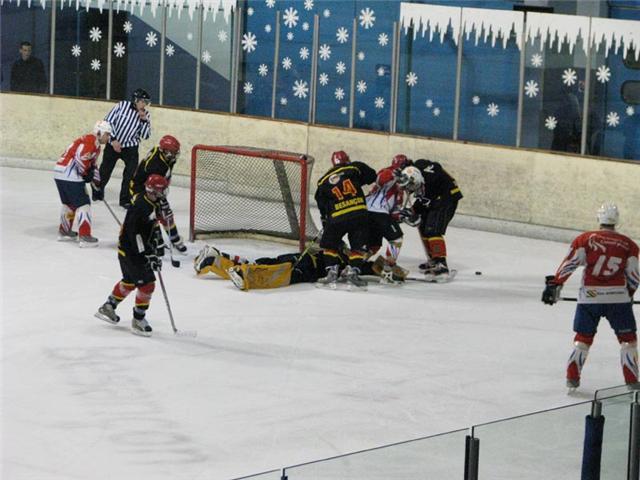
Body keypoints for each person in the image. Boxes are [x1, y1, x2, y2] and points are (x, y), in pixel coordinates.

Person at [542, 202, 639, 390]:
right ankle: (632, 381)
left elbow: (570, 264)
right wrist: (628, 295)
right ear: (617, 221)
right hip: (618, 299)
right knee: (628, 341)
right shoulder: (629, 245)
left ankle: (572, 378)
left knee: (583, 340)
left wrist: (555, 285)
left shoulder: (585, 239)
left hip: (589, 298)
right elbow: (634, 277)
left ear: (598, 218)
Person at [94, 174, 169, 337]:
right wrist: (148, 254)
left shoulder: (151, 201)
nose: (164, 193)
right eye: (161, 190)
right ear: (153, 190)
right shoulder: (141, 207)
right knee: (147, 284)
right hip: (132, 252)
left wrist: (157, 245)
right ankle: (138, 320)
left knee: (130, 281)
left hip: (129, 250)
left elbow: (152, 225)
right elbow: (135, 235)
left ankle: (108, 307)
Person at [314, 151, 377, 288]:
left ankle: (331, 273)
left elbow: (321, 204)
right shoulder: (354, 167)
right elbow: (372, 176)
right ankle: (352, 272)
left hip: (337, 216)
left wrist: (325, 221)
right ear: (347, 159)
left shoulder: (323, 180)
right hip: (358, 213)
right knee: (358, 247)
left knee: (329, 245)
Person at [401, 159, 463, 280]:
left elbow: (436, 168)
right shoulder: (419, 178)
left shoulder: (423, 168)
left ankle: (441, 264)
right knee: (423, 226)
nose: (409, 188)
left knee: (433, 229)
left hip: (447, 197)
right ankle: (433, 260)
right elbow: (422, 196)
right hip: (434, 197)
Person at [53, 120, 112, 247]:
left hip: (59, 172)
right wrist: (85, 173)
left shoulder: (93, 143)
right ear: (99, 132)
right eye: (107, 134)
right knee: (84, 205)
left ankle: (64, 232)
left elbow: (93, 166)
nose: (108, 137)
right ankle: (85, 237)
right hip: (70, 175)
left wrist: (98, 185)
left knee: (69, 204)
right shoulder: (92, 141)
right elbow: (81, 157)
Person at [92, 88, 152, 209]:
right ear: (136, 100)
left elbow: (146, 136)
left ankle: (125, 200)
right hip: (113, 144)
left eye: (146, 102)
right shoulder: (122, 105)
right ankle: (98, 192)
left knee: (130, 174)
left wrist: (144, 120)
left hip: (130, 147)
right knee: (105, 170)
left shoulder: (146, 114)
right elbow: (108, 122)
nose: (145, 104)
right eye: (143, 101)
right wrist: (113, 140)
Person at [128, 134, 186, 251]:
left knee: (165, 213)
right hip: (140, 189)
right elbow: (153, 186)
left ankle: (173, 238)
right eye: (172, 152)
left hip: (153, 187)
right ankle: (156, 241)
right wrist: (161, 200)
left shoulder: (163, 154)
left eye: (175, 152)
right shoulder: (156, 166)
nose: (174, 155)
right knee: (152, 214)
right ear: (164, 151)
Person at [365, 154, 413, 283]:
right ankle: (388, 271)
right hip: (375, 212)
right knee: (396, 239)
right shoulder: (389, 171)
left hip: (374, 213)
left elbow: (394, 213)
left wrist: (403, 215)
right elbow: (379, 179)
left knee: (373, 245)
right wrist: (395, 173)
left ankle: (355, 265)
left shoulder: (400, 187)